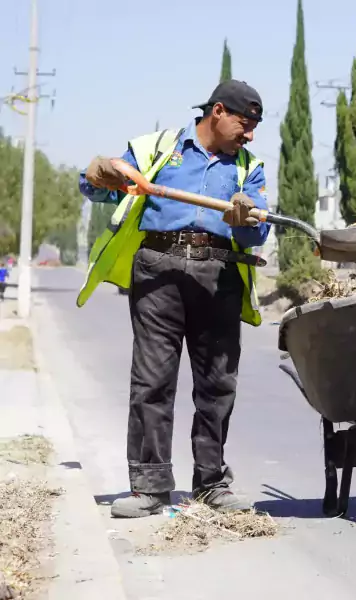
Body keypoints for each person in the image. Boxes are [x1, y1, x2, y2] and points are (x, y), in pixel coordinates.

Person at [77, 80, 271, 518]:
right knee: (152, 381)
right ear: (217, 112)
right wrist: (99, 175)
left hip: (218, 273)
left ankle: (211, 484)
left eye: (255, 126)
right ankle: (149, 488)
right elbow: (100, 185)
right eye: (245, 123)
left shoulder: (248, 167)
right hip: (158, 269)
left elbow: (258, 229)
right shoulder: (159, 148)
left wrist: (246, 219)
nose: (251, 134)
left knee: (218, 384)